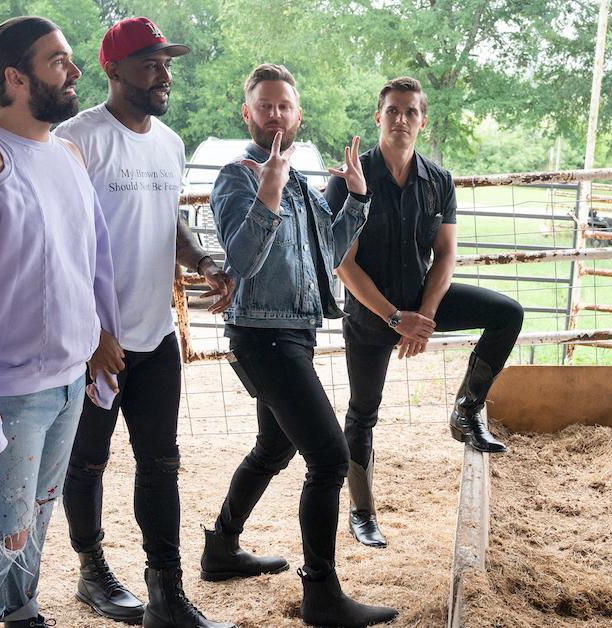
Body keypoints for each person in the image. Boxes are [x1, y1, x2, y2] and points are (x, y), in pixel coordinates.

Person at [0, 16, 121, 628]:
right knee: (3, 529)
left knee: (38, 511)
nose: (74, 70)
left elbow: (93, 257)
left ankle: (22, 612)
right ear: (14, 76)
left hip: (67, 379)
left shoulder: (64, 153)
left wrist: (101, 337)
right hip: (10, 388)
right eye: (58, 60)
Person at [54, 17, 235, 628]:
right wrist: (92, 334)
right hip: (95, 342)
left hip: (155, 335)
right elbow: (62, 246)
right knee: (88, 461)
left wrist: (204, 259)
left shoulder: (170, 142)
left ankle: (167, 593)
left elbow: (168, 221)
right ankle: (91, 571)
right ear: (113, 69)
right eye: (151, 62)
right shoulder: (79, 140)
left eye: (167, 62)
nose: (165, 73)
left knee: (161, 462)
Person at [202, 64, 397, 627]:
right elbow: (240, 260)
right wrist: (266, 193)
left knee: (275, 446)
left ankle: (222, 548)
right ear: (248, 114)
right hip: (262, 336)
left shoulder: (303, 185)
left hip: (295, 331)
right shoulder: (237, 177)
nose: (275, 115)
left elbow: (331, 253)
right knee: (330, 456)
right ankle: (321, 594)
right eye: (264, 106)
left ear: (298, 112)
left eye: (284, 105)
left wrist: (357, 199)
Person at [326, 77, 525, 547]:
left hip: (421, 301)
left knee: (507, 314)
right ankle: (361, 511)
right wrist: (396, 318)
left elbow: (447, 255)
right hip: (372, 312)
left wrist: (425, 317)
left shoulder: (439, 181)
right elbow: (342, 263)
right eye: (392, 111)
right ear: (379, 117)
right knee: (363, 411)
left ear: (422, 120)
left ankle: (466, 409)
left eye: (410, 112)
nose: (401, 119)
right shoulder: (351, 177)